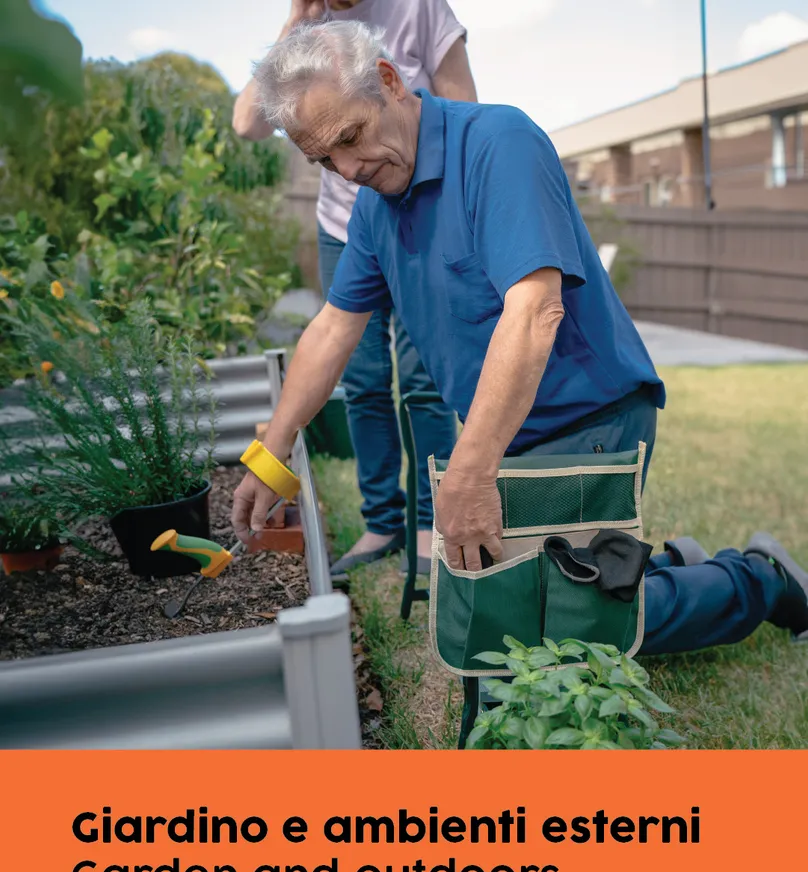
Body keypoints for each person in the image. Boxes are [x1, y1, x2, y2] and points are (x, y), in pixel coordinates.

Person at [231, 20, 808, 654]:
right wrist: (272, 453)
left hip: (589, 416)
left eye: (350, 137)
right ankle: (663, 564)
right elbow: (333, 329)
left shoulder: (498, 143)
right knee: (505, 609)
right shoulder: (373, 204)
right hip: (508, 431)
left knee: (562, 630)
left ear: (391, 82)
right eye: (323, 159)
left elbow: (535, 311)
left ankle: (758, 579)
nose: (347, 170)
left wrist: (471, 472)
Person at [233, 0, 478, 579]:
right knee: (364, 383)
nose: (342, 164)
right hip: (347, 230)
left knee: (424, 383)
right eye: (326, 156)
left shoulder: (418, 8)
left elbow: (463, 108)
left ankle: (427, 524)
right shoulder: (307, 18)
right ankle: (381, 522)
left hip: (418, 215)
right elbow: (247, 122)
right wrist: (295, 22)